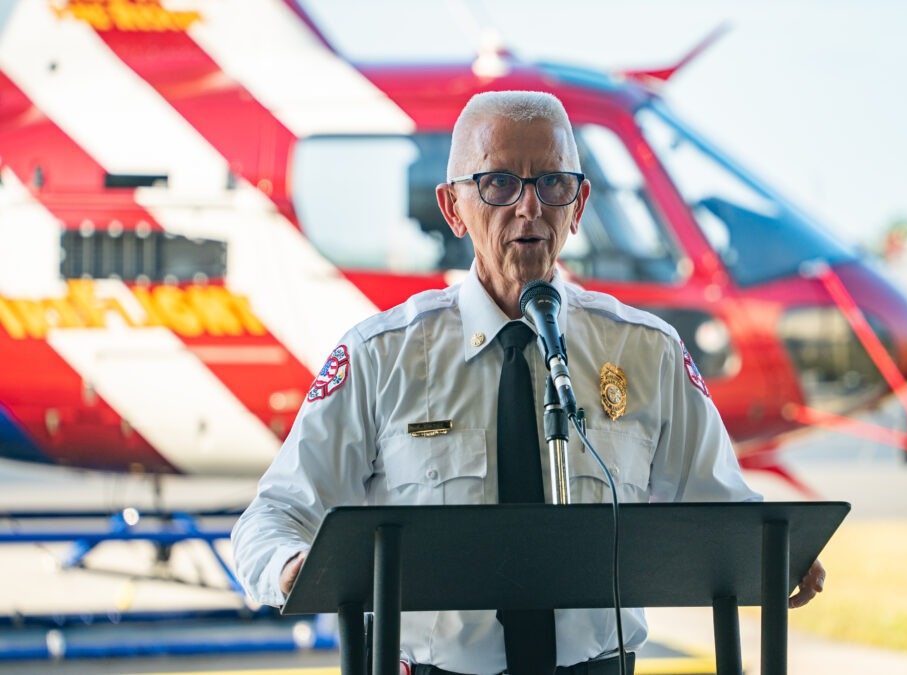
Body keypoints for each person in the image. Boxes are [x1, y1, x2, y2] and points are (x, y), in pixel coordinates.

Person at [231, 90, 826, 675]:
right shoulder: (379, 357)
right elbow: (273, 518)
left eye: (553, 184)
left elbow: (722, 512)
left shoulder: (647, 353)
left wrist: (777, 559)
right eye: (498, 184)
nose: (529, 209)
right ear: (452, 208)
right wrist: (295, 568)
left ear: (581, 203)